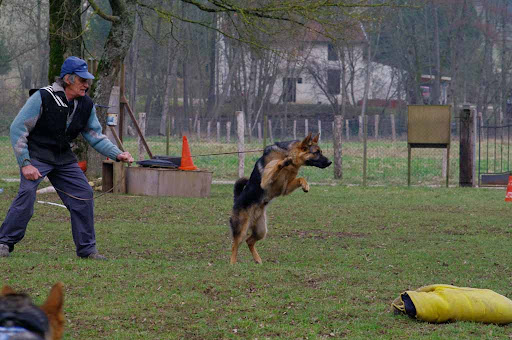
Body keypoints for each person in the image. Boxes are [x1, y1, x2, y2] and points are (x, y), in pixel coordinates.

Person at [0, 56, 134, 260]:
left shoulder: (86, 104)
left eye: (88, 81)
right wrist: (25, 163)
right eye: (83, 80)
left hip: (63, 158)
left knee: (84, 194)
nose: (87, 85)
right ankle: (4, 242)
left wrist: (117, 154)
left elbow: (95, 135)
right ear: (69, 79)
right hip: (36, 155)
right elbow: (18, 128)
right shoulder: (43, 97)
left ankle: (87, 250)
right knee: (27, 195)